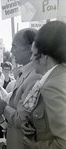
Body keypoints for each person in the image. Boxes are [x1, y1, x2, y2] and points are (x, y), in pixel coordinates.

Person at [21, 20, 66, 149]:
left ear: (45, 57)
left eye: (34, 54)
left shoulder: (52, 86)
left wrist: (34, 146)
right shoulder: (57, 75)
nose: (30, 59)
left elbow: (63, 143)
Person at [3, 28, 41, 149]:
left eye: (14, 46)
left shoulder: (35, 76)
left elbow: (22, 118)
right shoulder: (25, 72)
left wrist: (4, 107)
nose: (11, 51)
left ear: (30, 47)